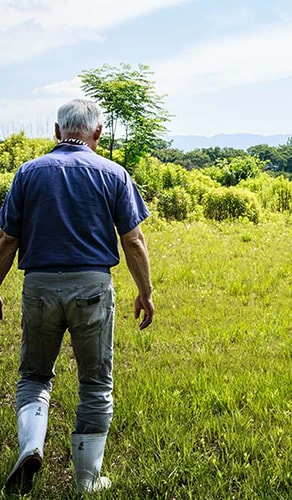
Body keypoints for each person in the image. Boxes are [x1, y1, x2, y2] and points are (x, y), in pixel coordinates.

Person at [0, 99, 154, 495]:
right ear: (98, 133)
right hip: (92, 289)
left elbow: (7, 240)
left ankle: (31, 445)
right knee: (95, 383)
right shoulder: (114, 174)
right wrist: (145, 292)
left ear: (56, 131)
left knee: (34, 375)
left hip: (39, 288)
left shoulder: (28, 173)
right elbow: (133, 241)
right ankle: (87, 479)